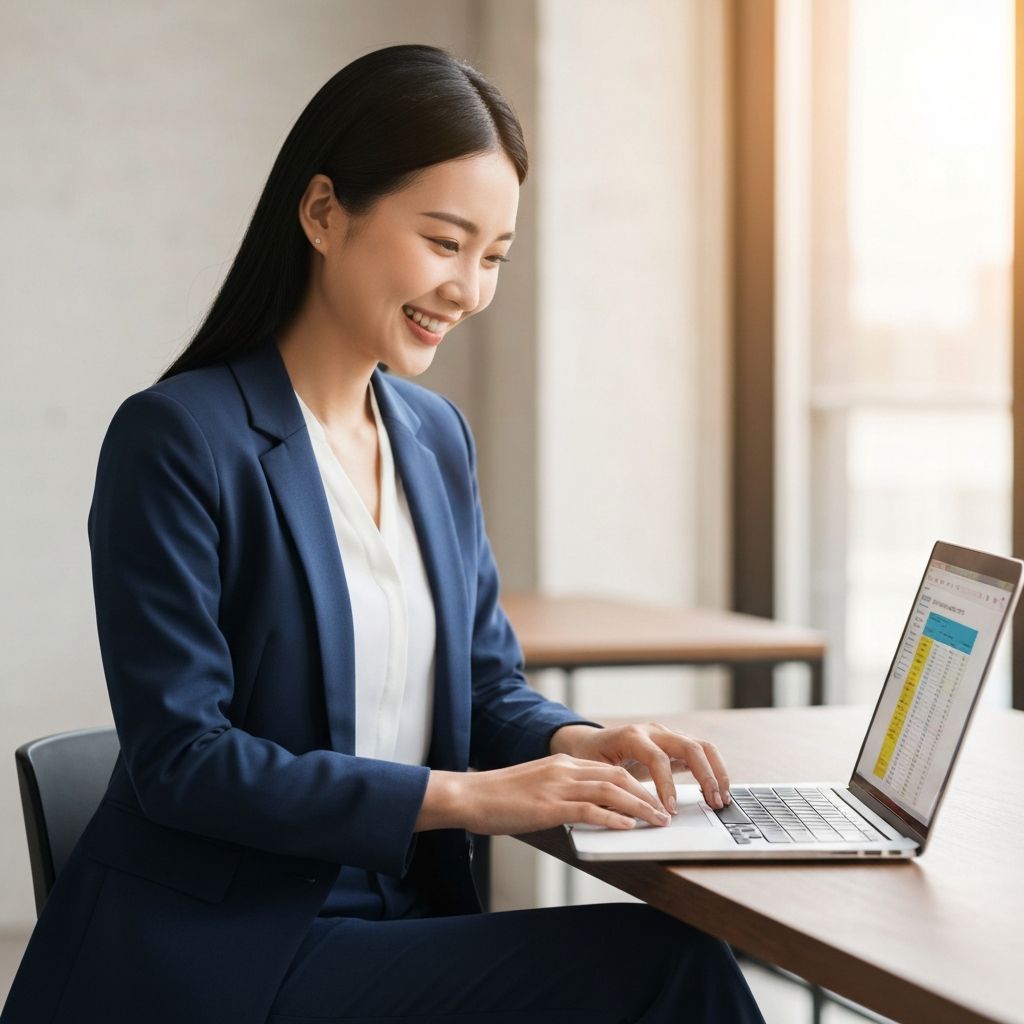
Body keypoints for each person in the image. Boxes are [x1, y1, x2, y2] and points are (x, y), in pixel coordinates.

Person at [2, 44, 765, 1024]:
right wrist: (465, 798)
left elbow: (483, 688)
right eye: (444, 242)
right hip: (227, 955)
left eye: (493, 256)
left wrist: (583, 741)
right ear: (323, 212)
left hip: (396, 919)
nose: (469, 289)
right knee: (665, 969)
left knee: (665, 958)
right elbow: (182, 759)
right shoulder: (178, 437)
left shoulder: (432, 438)